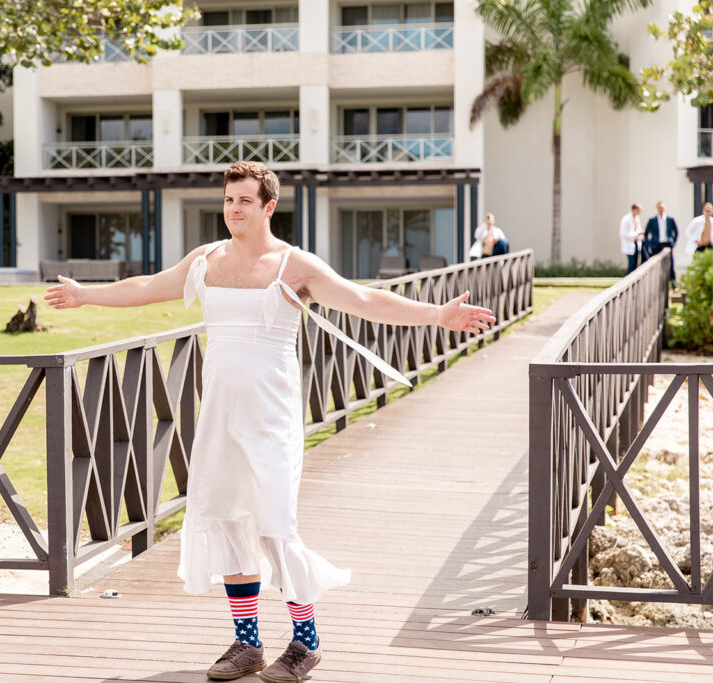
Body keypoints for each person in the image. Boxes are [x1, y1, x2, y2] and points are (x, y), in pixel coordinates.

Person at [44, 161, 494, 682]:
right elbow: (148, 286)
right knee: (229, 519)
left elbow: (363, 299)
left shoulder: (294, 265)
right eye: (229, 200)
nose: (234, 209)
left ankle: (306, 642)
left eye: (244, 201)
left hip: (272, 417)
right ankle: (247, 643)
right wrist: (85, 294)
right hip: (218, 416)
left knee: (277, 525)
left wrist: (436, 315)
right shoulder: (206, 260)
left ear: (268, 207)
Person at [643, 201, 678, 282]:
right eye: (659, 208)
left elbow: (676, 232)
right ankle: (655, 281)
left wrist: (673, 242)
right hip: (656, 245)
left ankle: (673, 284)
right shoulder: (652, 219)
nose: (661, 209)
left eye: (662, 207)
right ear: (657, 208)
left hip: (667, 244)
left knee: (670, 265)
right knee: (655, 265)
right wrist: (649, 244)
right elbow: (646, 233)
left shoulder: (670, 219)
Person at [619, 203, 644, 275]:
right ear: (635, 209)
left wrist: (640, 236)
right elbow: (623, 234)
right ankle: (627, 282)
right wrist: (637, 234)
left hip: (636, 244)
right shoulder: (626, 219)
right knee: (632, 264)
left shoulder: (636, 218)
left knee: (636, 264)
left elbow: (638, 229)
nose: (640, 212)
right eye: (639, 210)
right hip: (629, 244)